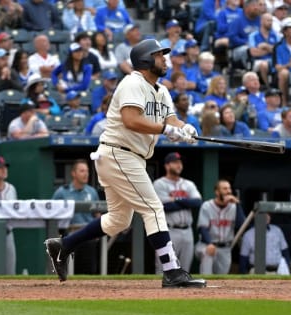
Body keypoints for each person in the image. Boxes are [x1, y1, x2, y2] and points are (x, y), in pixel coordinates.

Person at [44, 39, 206, 287]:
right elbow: (131, 120)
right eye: (159, 55)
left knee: (119, 220)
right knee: (153, 208)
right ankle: (172, 271)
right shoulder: (132, 82)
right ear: (145, 59)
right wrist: (166, 129)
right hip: (119, 153)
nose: (165, 59)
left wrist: (186, 129)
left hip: (128, 158)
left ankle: (63, 246)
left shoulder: (161, 91)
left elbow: (172, 120)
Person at [153, 152, 202, 273]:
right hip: (170, 231)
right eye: (175, 162)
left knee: (185, 269)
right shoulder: (159, 184)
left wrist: (176, 199)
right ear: (167, 166)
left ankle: (183, 293)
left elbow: (197, 202)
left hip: (187, 231)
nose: (179, 165)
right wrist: (186, 201)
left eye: (180, 162)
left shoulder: (188, 184)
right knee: (163, 267)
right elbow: (164, 207)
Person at [52, 159, 101, 274]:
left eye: (87, 171)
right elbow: (52, 213)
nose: (86, 174)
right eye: (82, 171)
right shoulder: (62, 192)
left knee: (89, 271)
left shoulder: (92, 192)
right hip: (69, 236)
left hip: (89, 237)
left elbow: (97, 214)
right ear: (73, 173)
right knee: (69, 272)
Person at [195, 179, 246, 274]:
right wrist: (209, 243)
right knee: (207, 253)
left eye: (229, 188)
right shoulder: (207, 206)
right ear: (217, 192)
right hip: (207, 244)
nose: (229, 191)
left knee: (222, 277)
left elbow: (241, 225)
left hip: (225, 248)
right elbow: (203, 228)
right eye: (225, 189)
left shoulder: (234, 207)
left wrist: (238, 204)